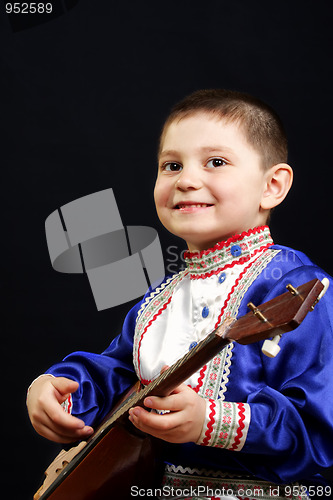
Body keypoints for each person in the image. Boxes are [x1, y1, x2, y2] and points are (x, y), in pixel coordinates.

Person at [27, 89, 333, 499]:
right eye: (171, 165)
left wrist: (213, 421)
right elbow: (116, 374)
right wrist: (58, 388)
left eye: (216, 162)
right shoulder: (158, 300)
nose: (186, 180)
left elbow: (320, 427)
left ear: (272, 186)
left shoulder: (296, 288)